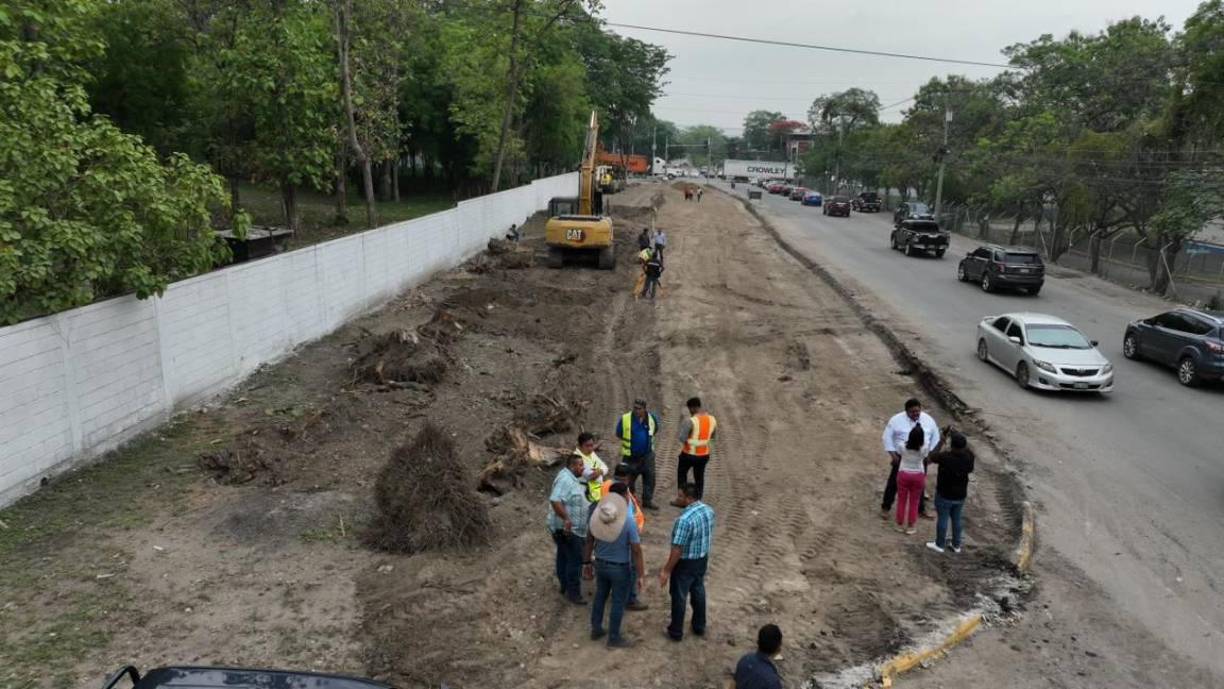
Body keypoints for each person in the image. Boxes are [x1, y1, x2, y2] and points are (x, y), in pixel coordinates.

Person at [583, 491, 644, 648]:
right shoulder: (628, 521)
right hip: (620, 568)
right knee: (618, 602)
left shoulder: (597, 516)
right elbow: (636, 550)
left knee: (600, 597)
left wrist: (586, 563)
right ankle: (614, 638)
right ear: (624, 498)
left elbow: (589, 541)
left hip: (601, 565)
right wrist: (641, 574)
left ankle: (596, 629)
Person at [660, 483, 714, 641]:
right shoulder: (708, 510)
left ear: (689, 498)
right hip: (702, 559)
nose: (678, 499)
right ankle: (699, 626)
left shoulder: (683, 520)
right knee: (698, 590)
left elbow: (677, 549)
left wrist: (666, 570)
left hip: (685, 564)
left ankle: (676, 631)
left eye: (680, 496)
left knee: (679, 596)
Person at [881, 398, 940, 520]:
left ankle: (921, 509)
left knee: (920, 485)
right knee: (893, 483)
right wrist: (893, 455)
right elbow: (887, 437)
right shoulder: (896, 420)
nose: (916, 414)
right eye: (912, 412)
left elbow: (935, 437)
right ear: (906, 411)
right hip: (901, 458)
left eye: (917, 411)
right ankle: (886, 507)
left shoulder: (928, 420)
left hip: (921, 459)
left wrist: (930, 456)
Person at [600, 468, 649, 611]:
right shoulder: (619, 492)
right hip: (624, 535)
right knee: (631, 567)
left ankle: (619, 593)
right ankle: (630, 598)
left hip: (617, 534)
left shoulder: (611, 487)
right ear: (626, 478)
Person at [548, 453, 590, 604]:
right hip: (569, 530)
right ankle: (574, 593)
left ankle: (565, 586)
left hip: (568, 529)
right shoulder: (566, 480)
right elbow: (555, 499)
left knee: (563, 556)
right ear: (572, 466)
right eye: (580, 465)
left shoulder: (570, 478)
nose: (582, 468)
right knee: (574, 561)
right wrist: (566, 519)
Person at [926, 432, 975, 554]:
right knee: (957, 519)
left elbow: (930, 457)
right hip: (960, 494)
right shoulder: (969, 457)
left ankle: (939, 544)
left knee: (943, 518)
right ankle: (956, 545)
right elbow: (967, 449)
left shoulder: (945, 457)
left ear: (952, 446)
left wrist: (942, 440)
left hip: (944, 494)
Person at [615, 400, 661, 509]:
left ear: (645, 409)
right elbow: (619, 433)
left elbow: (655, 430)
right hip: (630, 456)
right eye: (635, 408)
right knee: (628, 478)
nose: (636, 410)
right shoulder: (625, 418)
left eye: (639, 408)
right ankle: (629, 499)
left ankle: (647, 500)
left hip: (647, 455)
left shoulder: (652, 418)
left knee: (650, 478)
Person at [672, 397, 717, 505]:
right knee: (699, 478)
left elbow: (682, 438)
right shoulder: (712, 419)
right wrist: (706, 447)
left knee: (682, 475)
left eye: (689, 409)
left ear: (692, 408)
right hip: (703, 455)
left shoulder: (690, 421)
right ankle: (697, 501)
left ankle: (682, 500)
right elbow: (713, 437)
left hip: (688, 454)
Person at [894, 425, 929, 534]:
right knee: (914, 502)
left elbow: (899, 451)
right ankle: (911, 526)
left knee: (901, 500)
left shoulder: (902, 446)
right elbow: (926, 452)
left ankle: (899, 524)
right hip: (918, 475)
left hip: (903, 473)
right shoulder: (924, 448)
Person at [734, 624, 783, 689]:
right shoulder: (772, 681)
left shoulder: (745, 659)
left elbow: (733, 685)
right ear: (778, 647)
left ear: (758, 642)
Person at [574, 432, 608, 504]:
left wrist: (599, 471)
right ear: (580, 446)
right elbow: (591, 476)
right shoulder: (576, 458)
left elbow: (605, 468)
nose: (590, 448)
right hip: (585, 495)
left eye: (592, 445)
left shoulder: (591, 453)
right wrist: (600, 471)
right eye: (587, 446)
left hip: (597, 491)